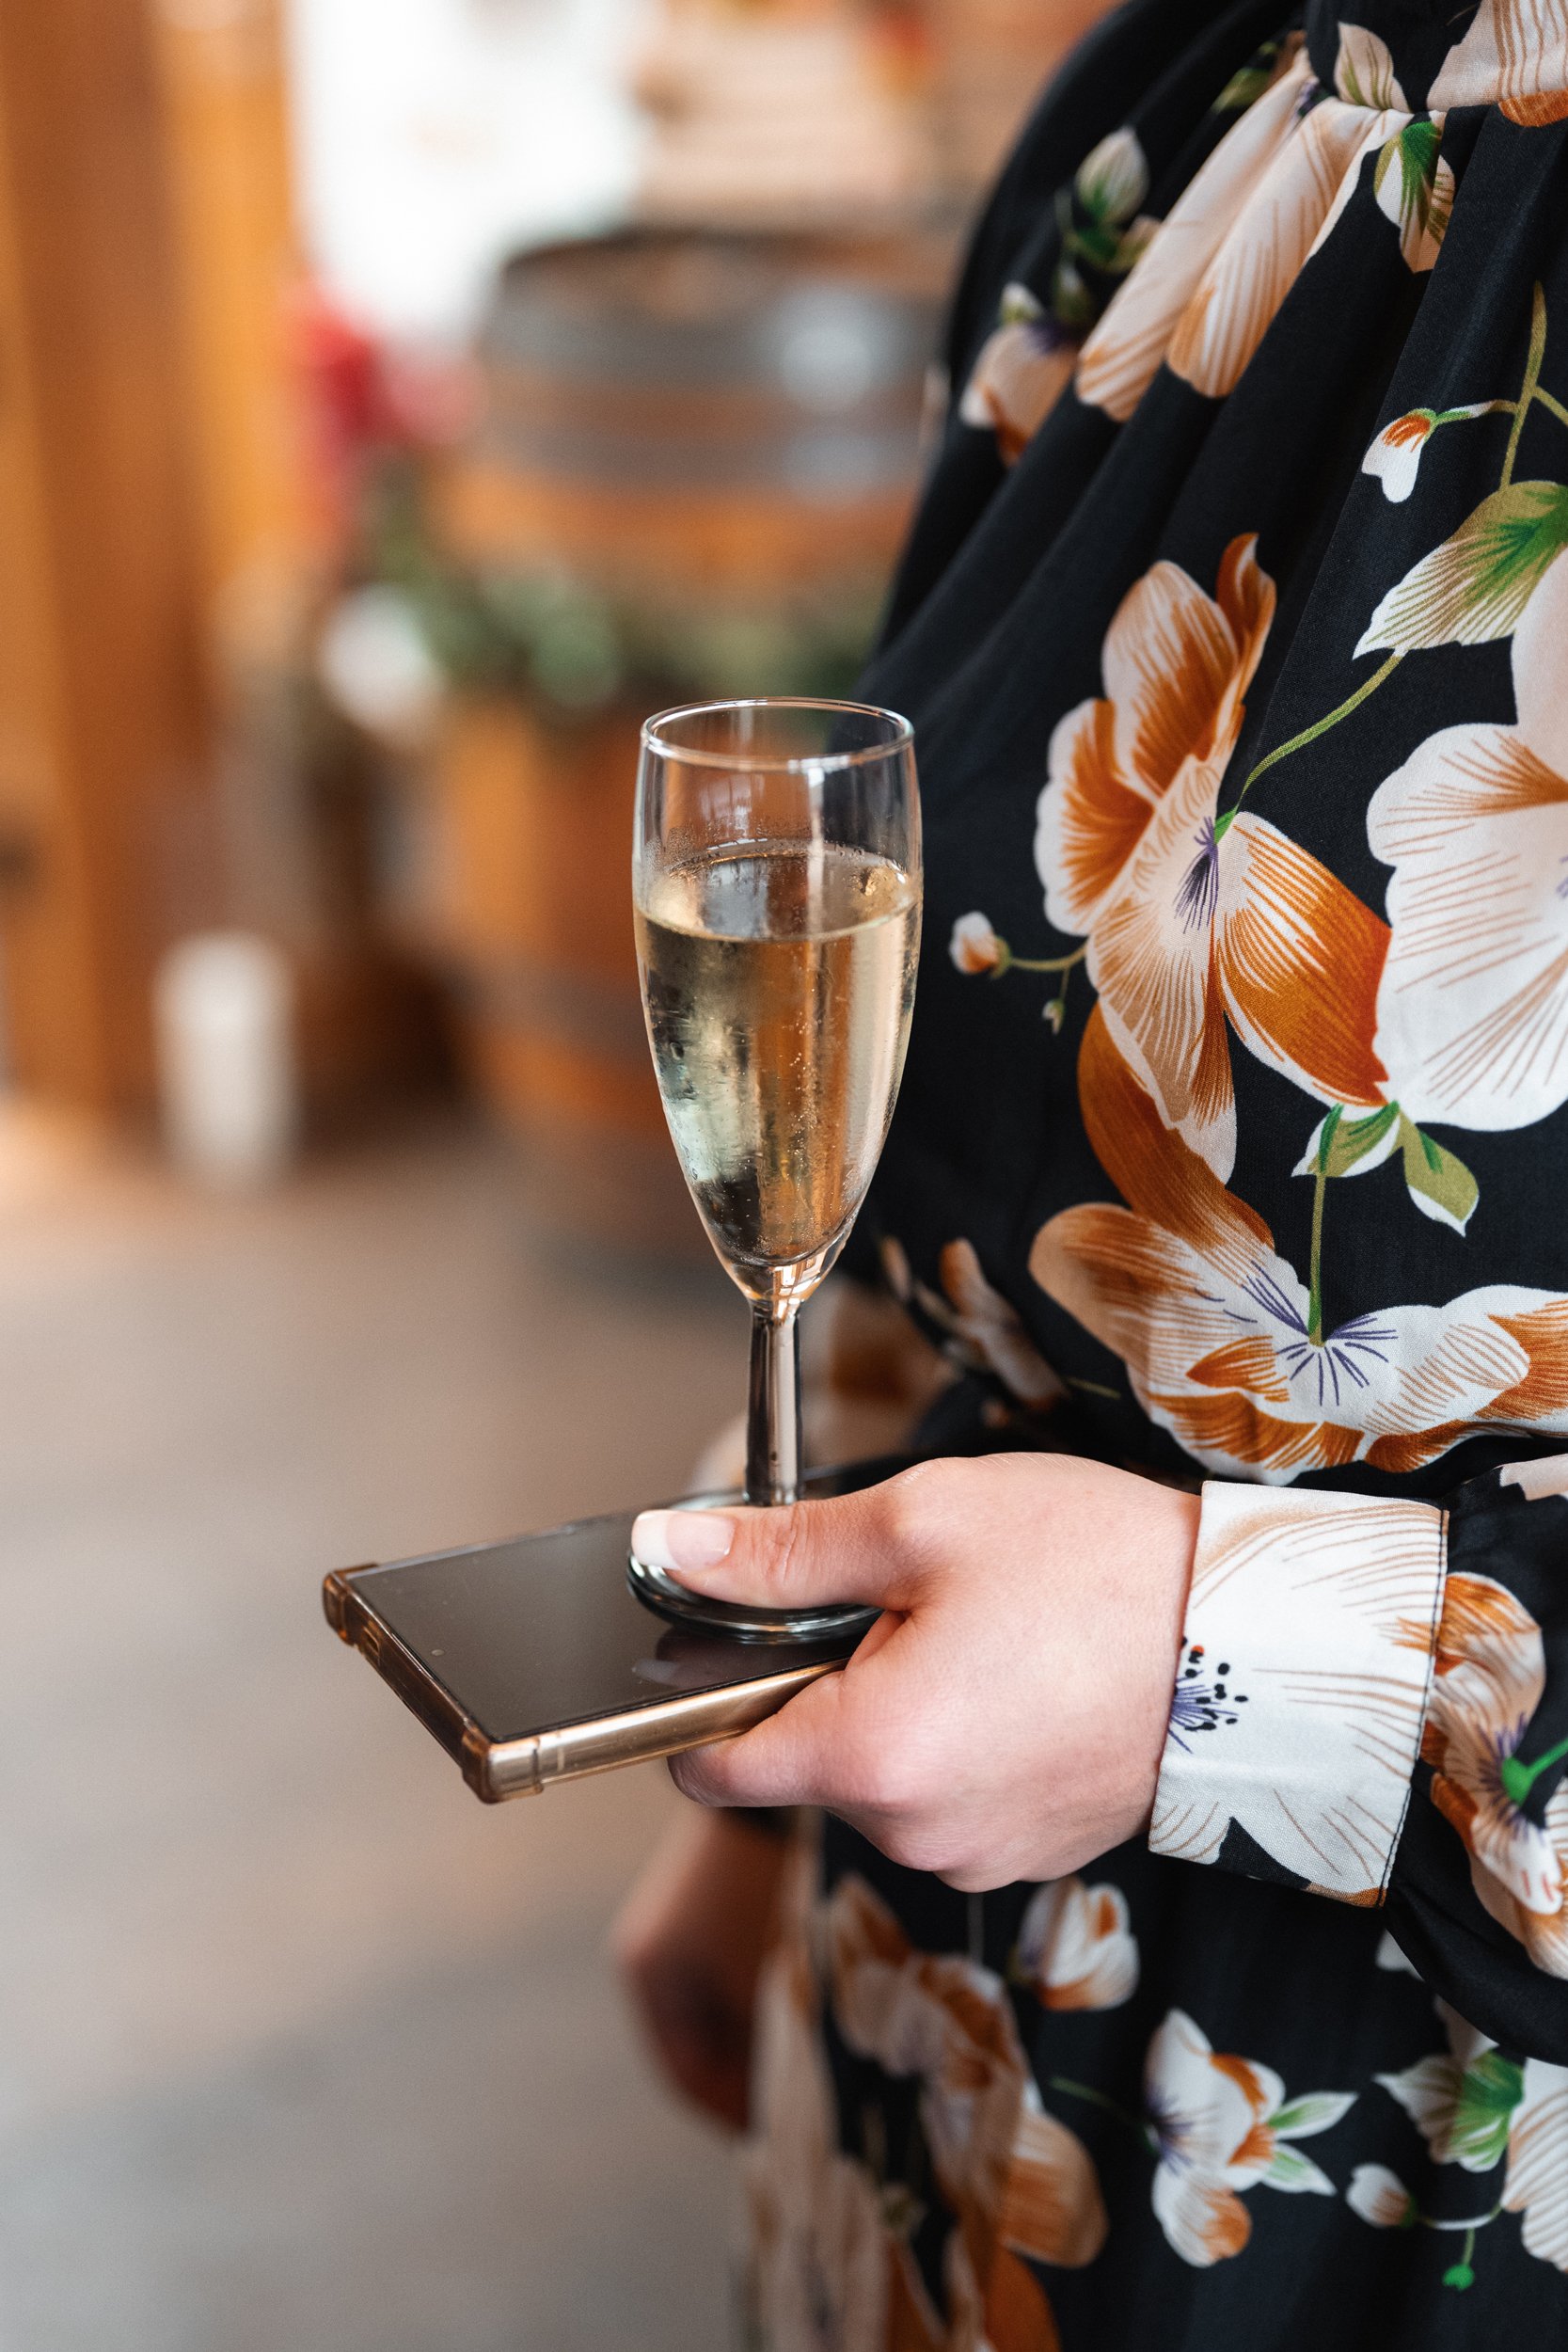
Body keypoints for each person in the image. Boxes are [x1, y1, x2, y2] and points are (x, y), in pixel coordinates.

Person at [618, 0, 1568, 2340]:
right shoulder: (1199, 92)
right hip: (931, 2101)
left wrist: (1213, 1666)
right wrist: (776, 1705)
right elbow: (943, 1083)